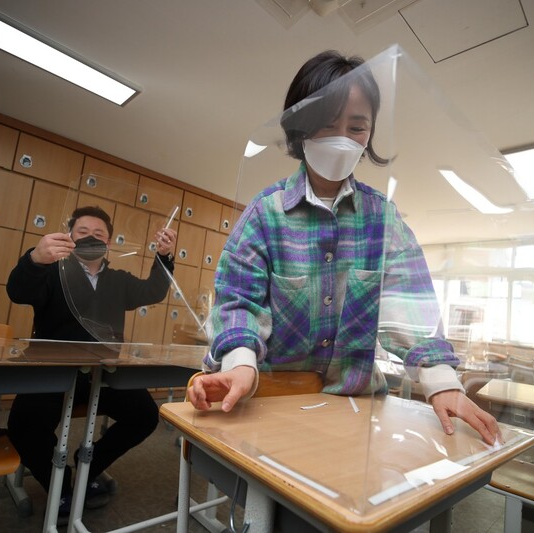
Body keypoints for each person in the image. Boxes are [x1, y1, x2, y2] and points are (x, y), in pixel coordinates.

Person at [187, 50, 502, 445]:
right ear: (301, 127)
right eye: (328, 125)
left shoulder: (383, 219)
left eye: (357, 127)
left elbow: (409, 303)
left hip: (355, 409)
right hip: (272, 402)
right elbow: (237, 303)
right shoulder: (264, 216)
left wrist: (441, 380)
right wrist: (240, 364)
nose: (342, 139)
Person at [6, 205, 177, 519]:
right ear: (69, 238)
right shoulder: (53, 273)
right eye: (82, 233)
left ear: (108, 244)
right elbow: (17, 291)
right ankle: (60, 484)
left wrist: (164, 256)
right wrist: (34, 259)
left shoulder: (119, 280)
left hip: (104, 374)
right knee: (23, 426)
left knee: (145, 416)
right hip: (52, 373)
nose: (90, 238)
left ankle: (88, 466)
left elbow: (153, 290)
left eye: (98, 235)